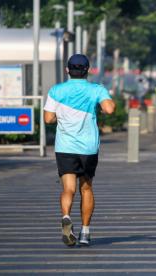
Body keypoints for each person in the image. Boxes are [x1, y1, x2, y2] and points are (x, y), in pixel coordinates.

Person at [44, 54, 115, 247]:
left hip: (65, 147)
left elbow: (48, 119)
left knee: (68, 189)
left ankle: (66, 216)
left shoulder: (56, 90)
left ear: (67, 70)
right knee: (86, 188)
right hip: (88, 148)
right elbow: (109, 109)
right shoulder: (96, 89)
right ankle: (85, 232)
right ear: (87, 70)